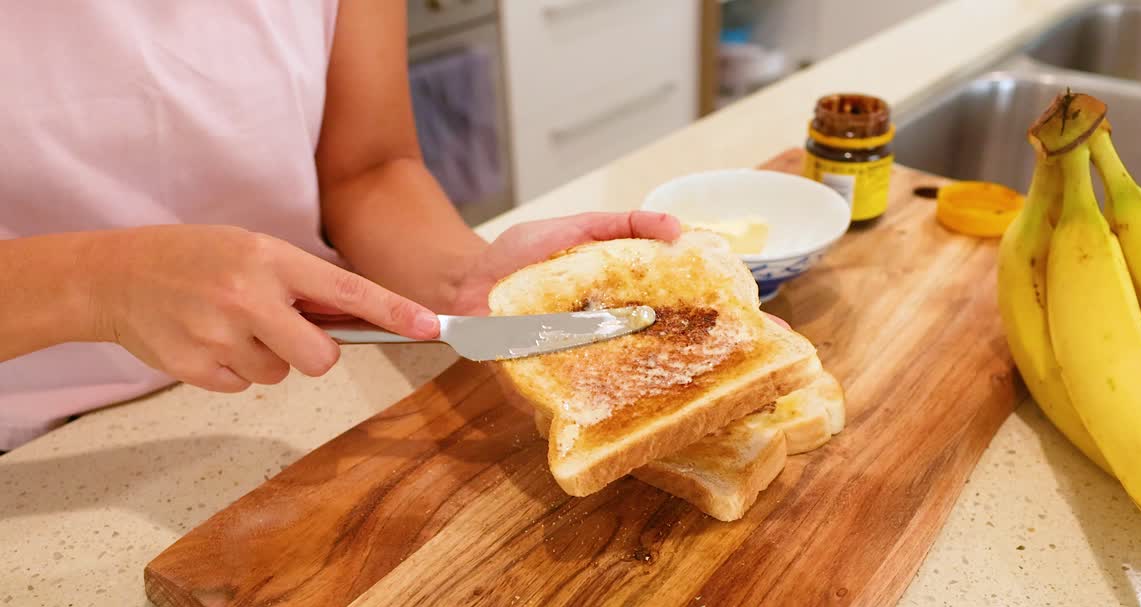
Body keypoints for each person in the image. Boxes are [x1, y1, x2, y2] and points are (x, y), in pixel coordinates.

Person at [0, 2, 680, 452]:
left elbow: (369, 169)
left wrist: (467, 281)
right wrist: (100, 285)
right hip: (39, 446)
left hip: (303, 385)